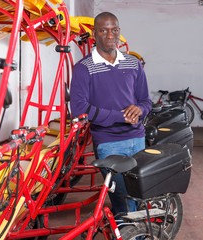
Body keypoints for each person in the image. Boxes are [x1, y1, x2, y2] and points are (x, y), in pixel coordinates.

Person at [70, 12, 152, 215]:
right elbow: (79, 109)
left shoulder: (133, 64)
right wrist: (120, 116)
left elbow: (146, 101)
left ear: (119, 32)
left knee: (138, 195)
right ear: (94, 33)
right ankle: (128, 232)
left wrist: (139, 109)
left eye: (114, 30)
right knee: (122, 200)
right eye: (103, 30)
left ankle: (134, 232)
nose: (109, 35)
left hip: (137, 138)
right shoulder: (83, 68)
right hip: (108, 142)